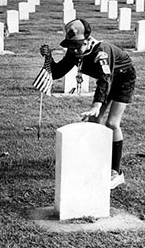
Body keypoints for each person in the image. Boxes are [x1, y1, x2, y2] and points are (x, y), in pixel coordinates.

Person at [40, 18, 136, 190]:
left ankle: (116, 172)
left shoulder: (102, 52)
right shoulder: (74, 52)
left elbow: (105, 79)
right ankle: (97, 162)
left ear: (87, 40)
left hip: (123, 78)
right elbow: (57, 73)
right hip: (106, 81)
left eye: (78, 45)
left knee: (112, 123)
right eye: (71, 45)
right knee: (94, 123)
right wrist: (48, 57)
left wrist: (97, 104)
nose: (75, 50)